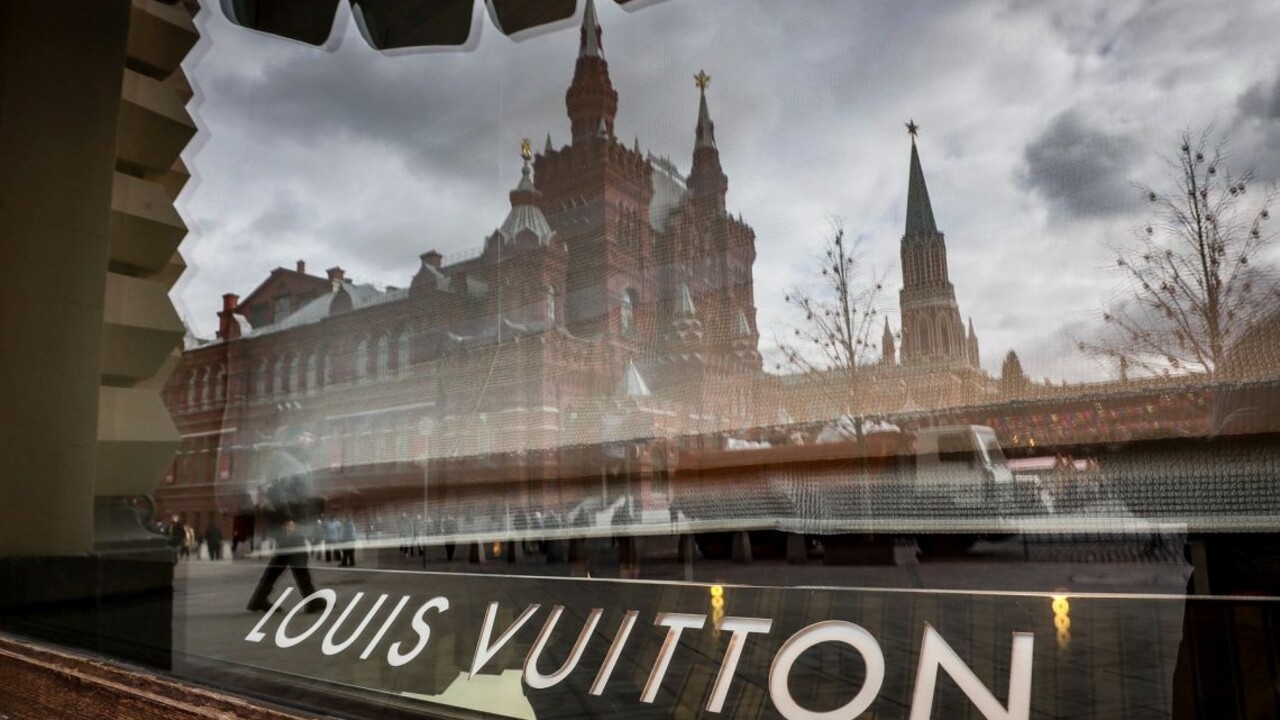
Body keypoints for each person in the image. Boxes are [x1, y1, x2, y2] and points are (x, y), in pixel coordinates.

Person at [247, 425, 323, 612]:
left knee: (281, 561)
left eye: (310, 437)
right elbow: (276, 489)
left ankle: (259, 599)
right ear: (292, 439)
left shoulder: (303, 462)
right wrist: (287, 518)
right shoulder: (282, 458)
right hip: (287, 520)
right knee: (298, 558)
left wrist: (313, 518)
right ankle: (311, 600)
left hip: (298, 519)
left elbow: (304, 495)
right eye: (303, 436)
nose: (308, 440)